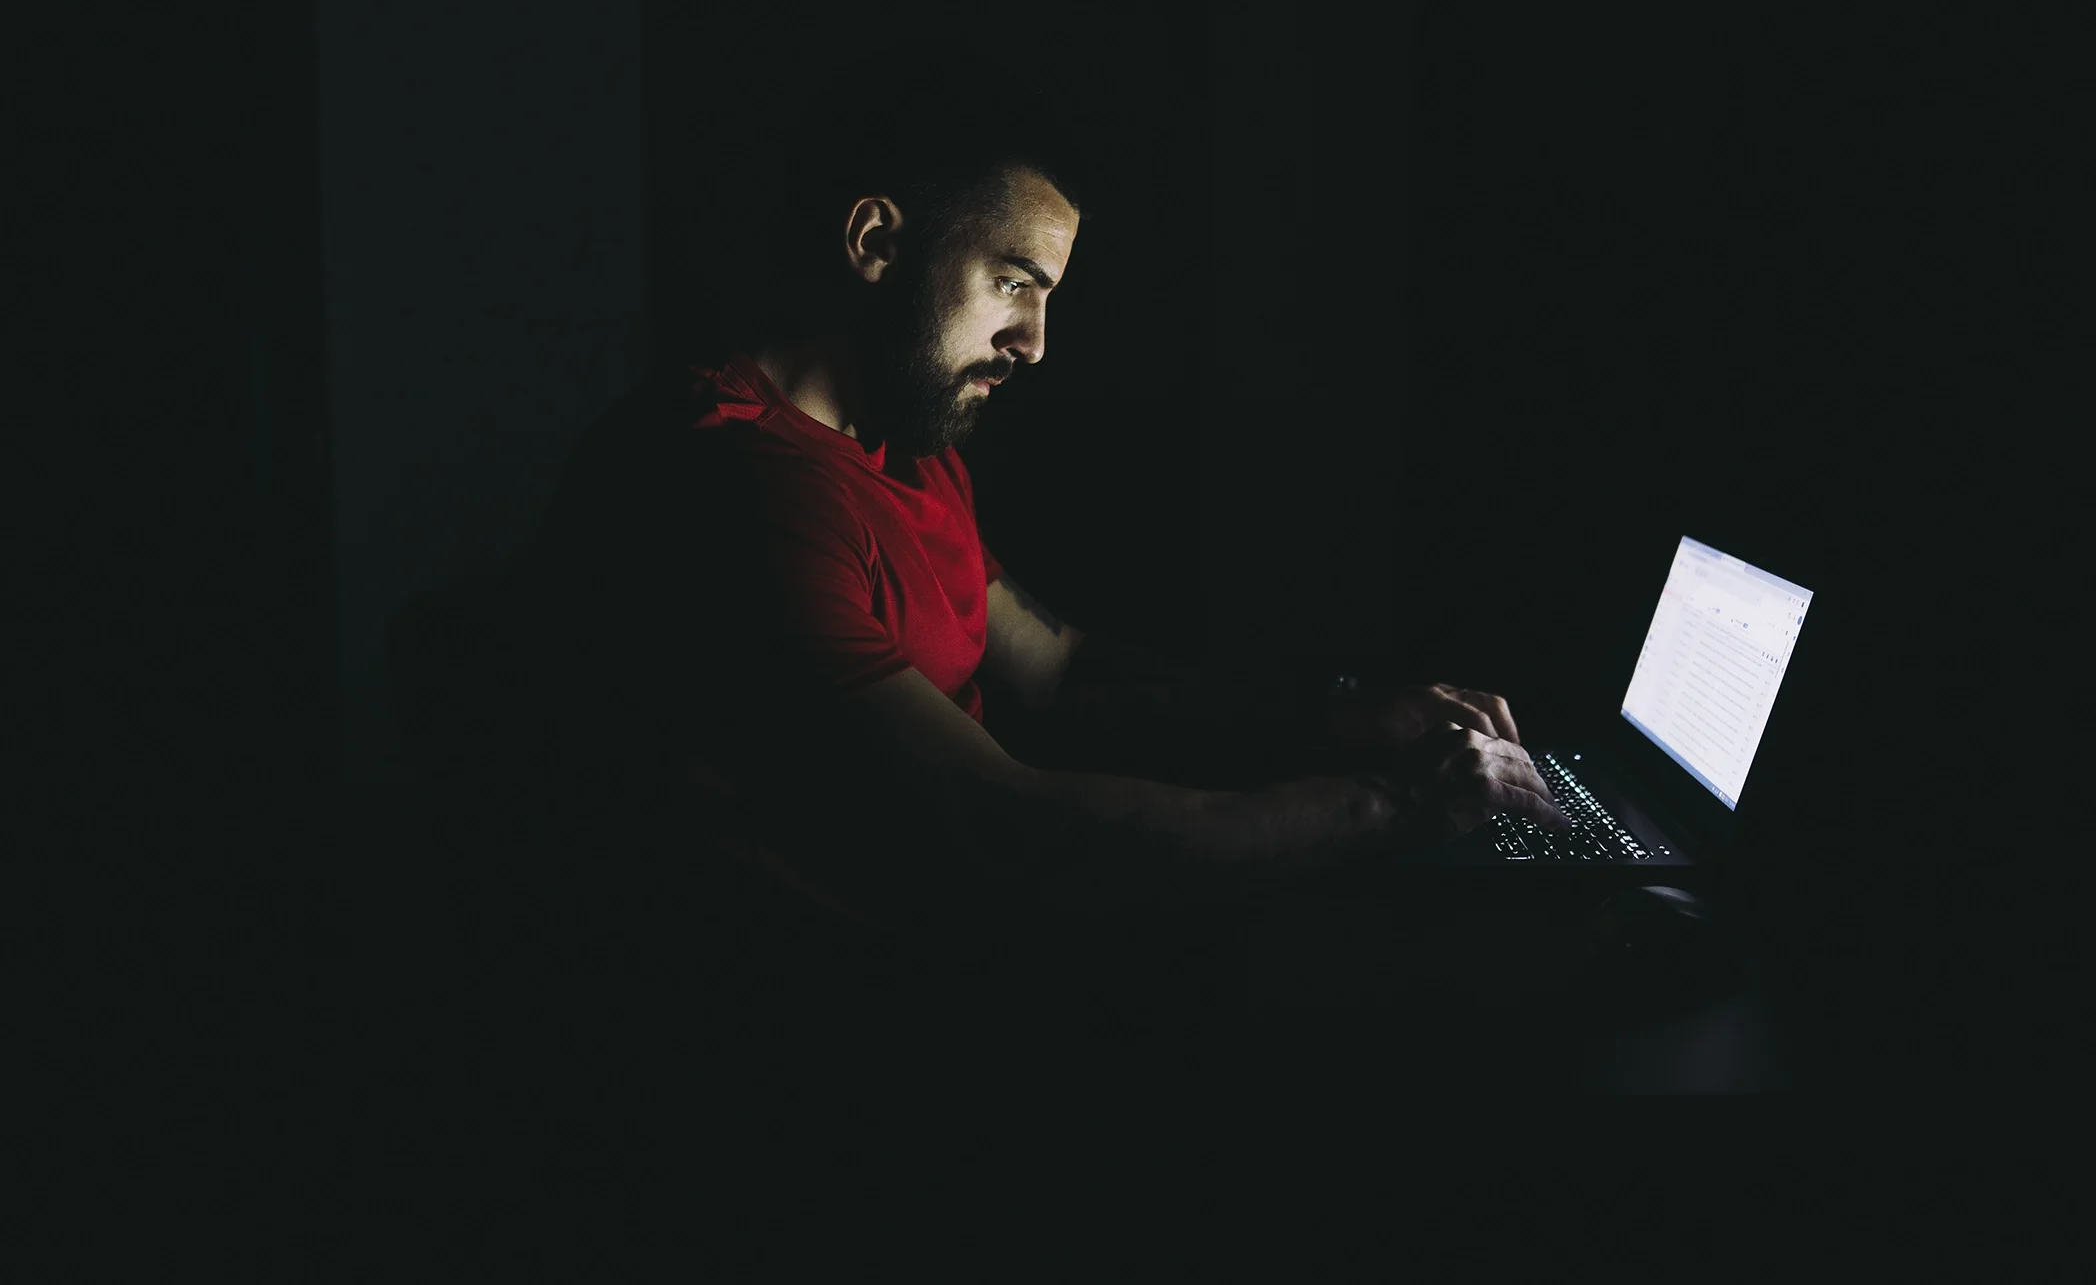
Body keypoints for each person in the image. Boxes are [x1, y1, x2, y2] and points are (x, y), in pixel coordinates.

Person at [520, 77, 1574, 1049]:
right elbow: (1003, 833)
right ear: (877, 241)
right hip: (815, 1029)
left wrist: (1340, 717)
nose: (1033, 341)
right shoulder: (733, 485)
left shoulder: (899, 442)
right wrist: (1396, 807)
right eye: (1012, 283)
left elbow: (1063, 671)